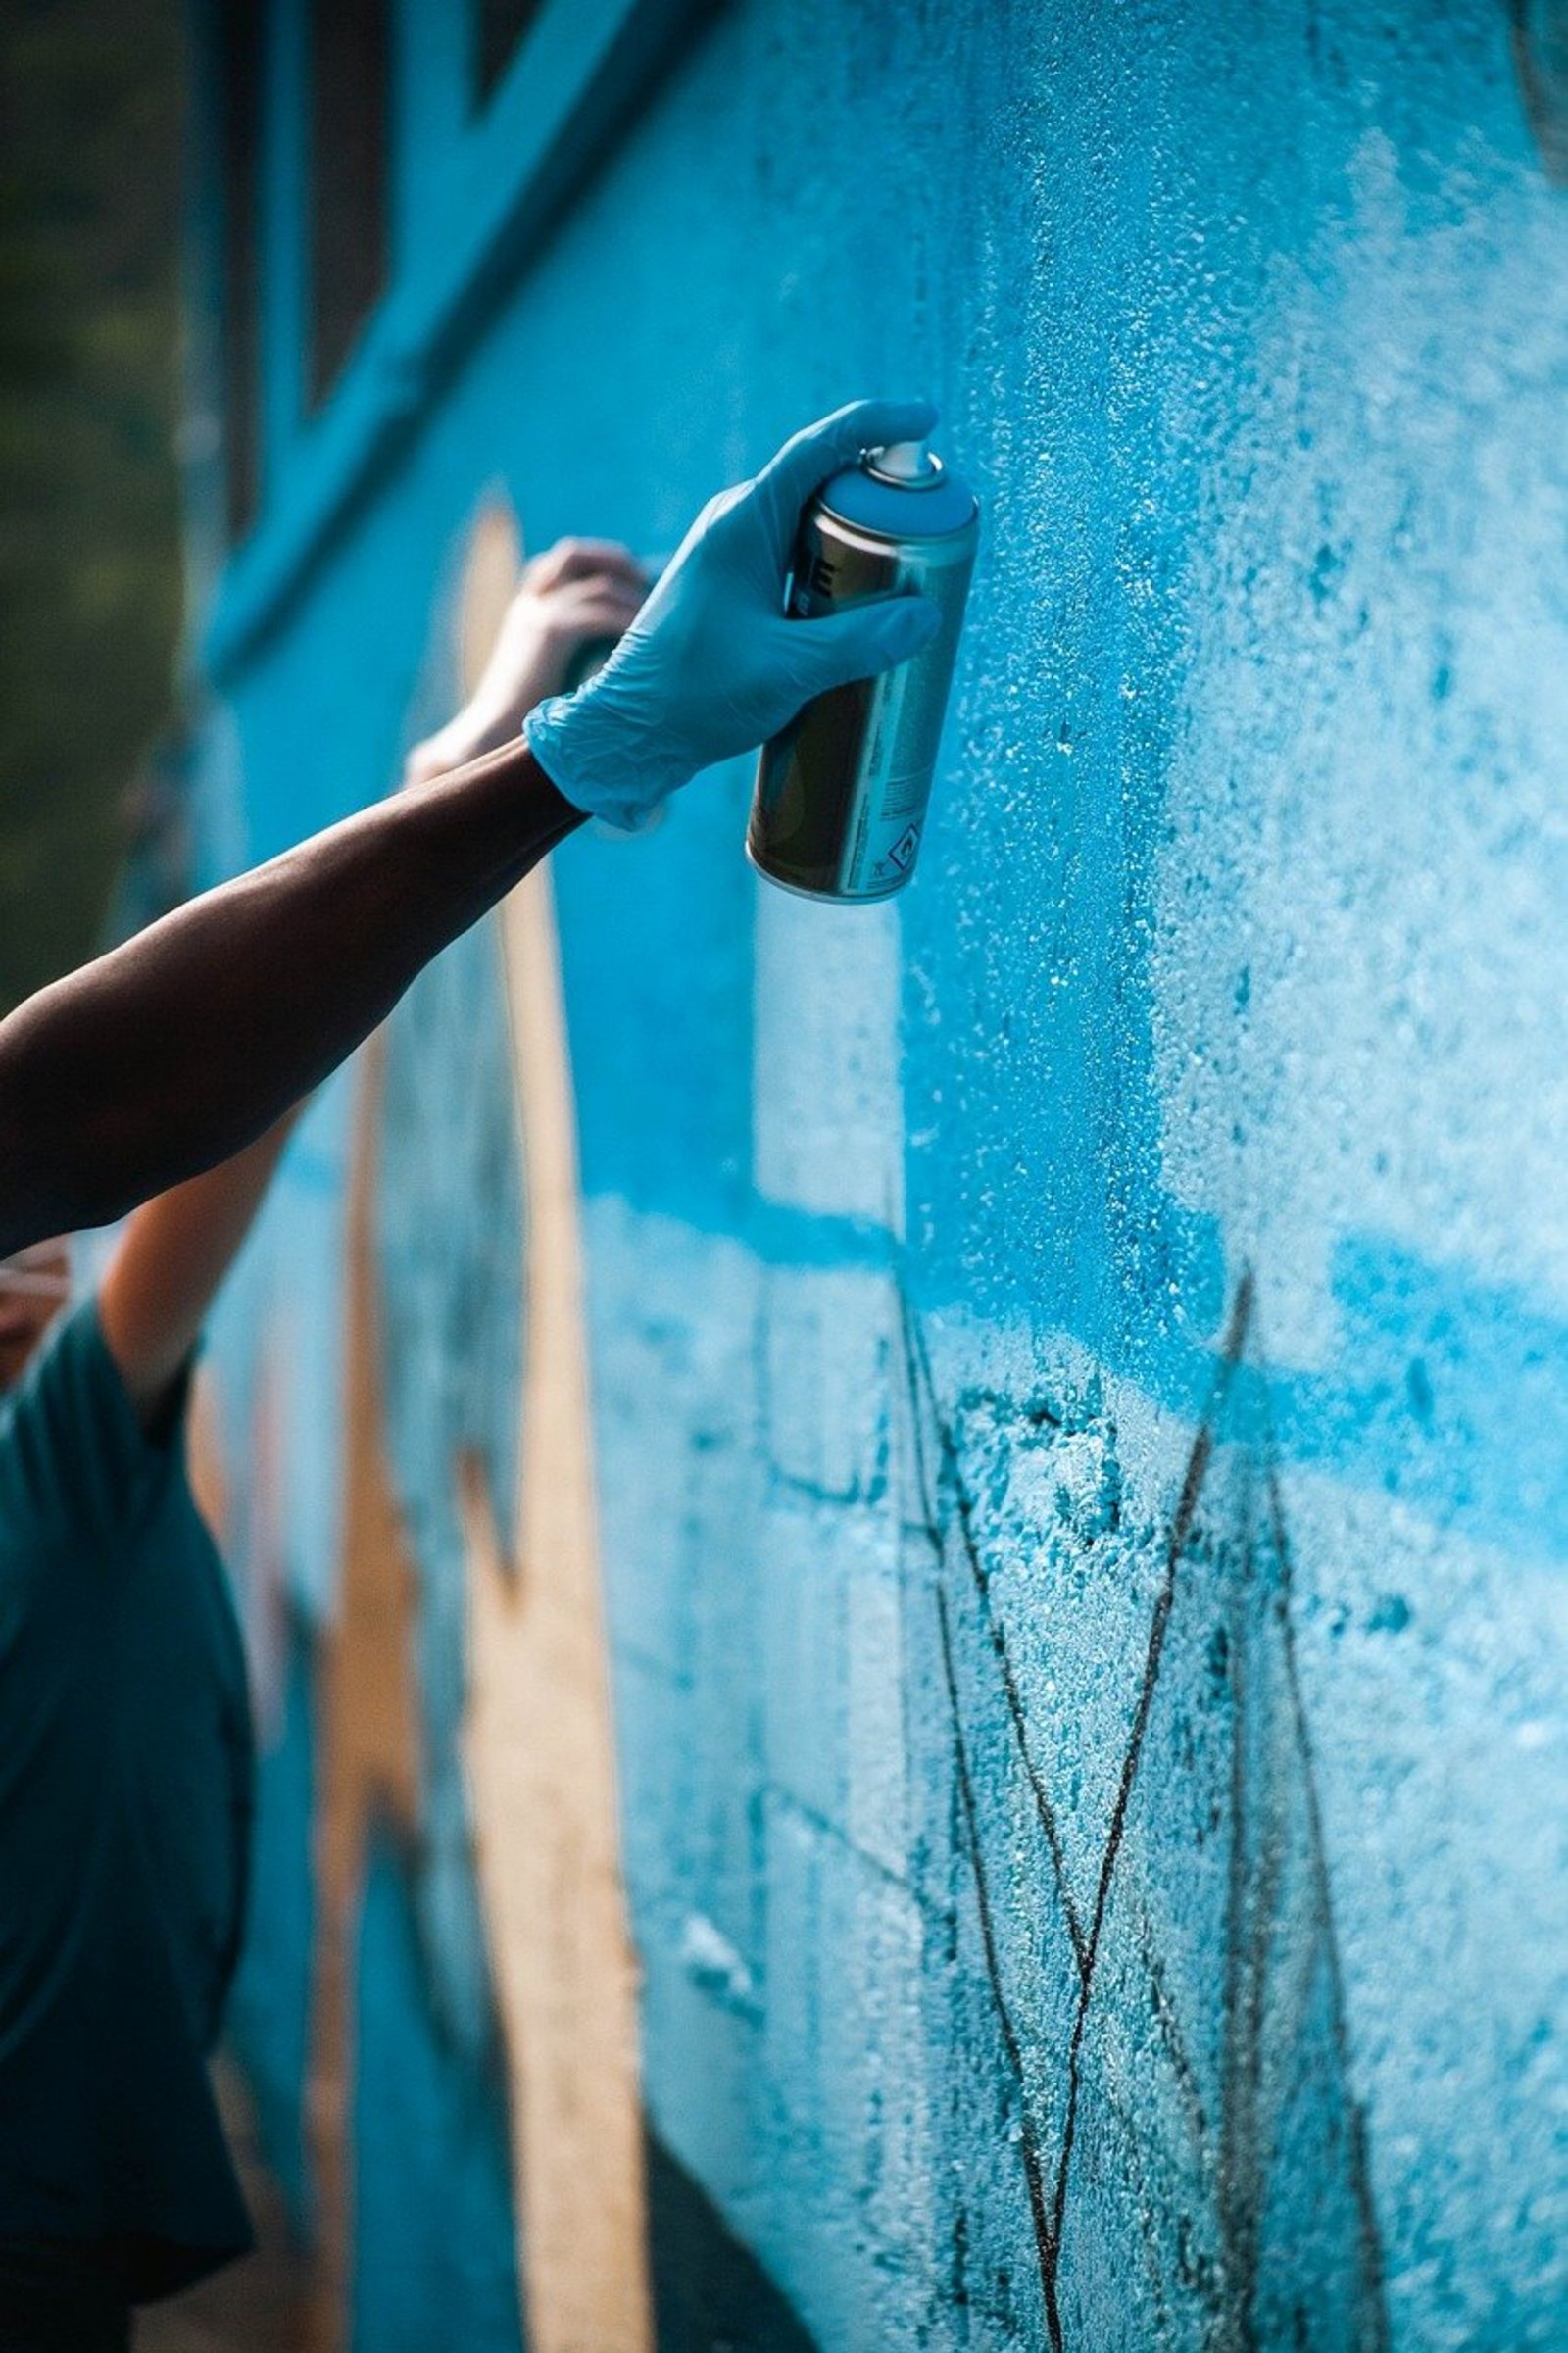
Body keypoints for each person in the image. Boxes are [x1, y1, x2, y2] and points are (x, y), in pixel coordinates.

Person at [0, 400, 941, 2346]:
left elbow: (132, 1107)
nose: (38, 1256)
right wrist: (527, 755)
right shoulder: (54, 1454)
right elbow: (170, 1122)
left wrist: (509, 744)